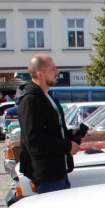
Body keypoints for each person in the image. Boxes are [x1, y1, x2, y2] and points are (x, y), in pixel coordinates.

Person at [19, 54, 81, 194]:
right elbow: (34, 137)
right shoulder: (30, 100)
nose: (57, 72)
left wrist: (69, 135)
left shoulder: (47, 97)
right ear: (40, 74)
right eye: (52, 69)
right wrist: (66, 146)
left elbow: (51, 130)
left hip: (59, 170)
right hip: (46, 173)